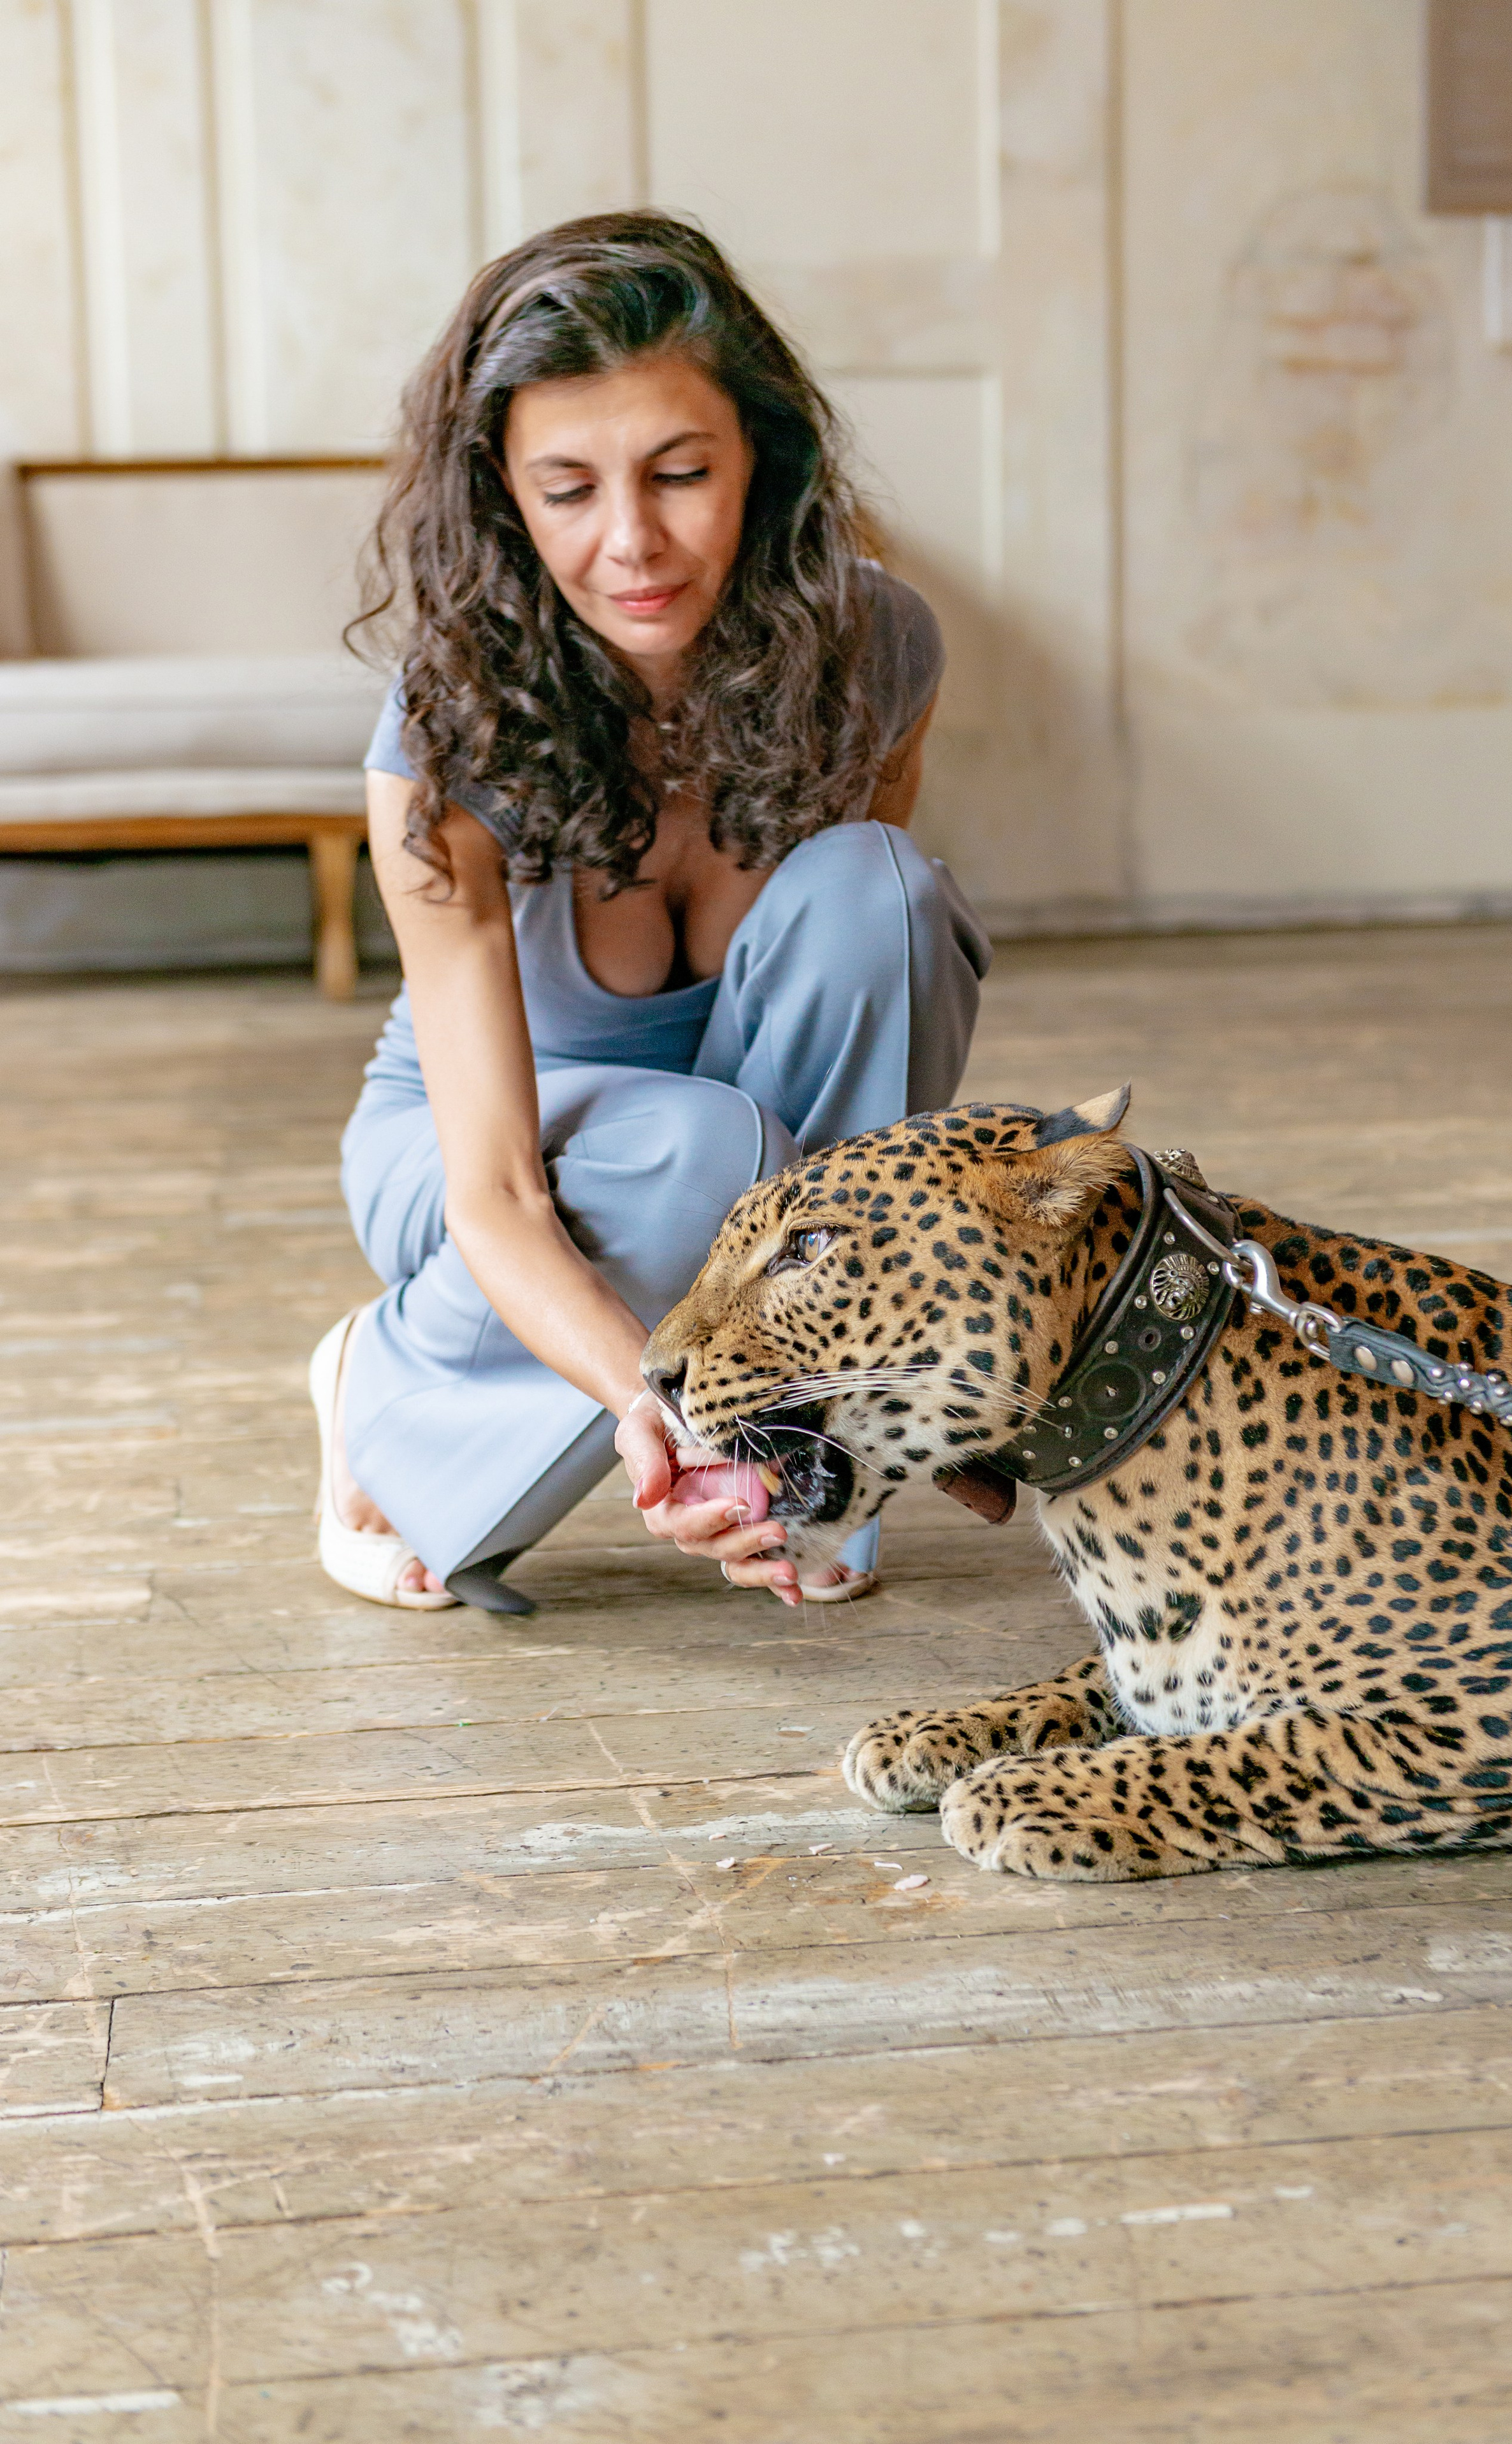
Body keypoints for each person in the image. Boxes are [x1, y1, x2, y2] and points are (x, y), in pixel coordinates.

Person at [312, 210, 989, 1618]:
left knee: (880, 892)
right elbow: (496, 1191)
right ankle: (388, 1382)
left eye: (682, 474)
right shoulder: (445, 732)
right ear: (501, 498)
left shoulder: (877, 650)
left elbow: (856, 1021)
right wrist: (666, 1412)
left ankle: (815, 1439)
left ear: (761, 461)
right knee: (701, 1149)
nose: (631, 542)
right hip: (475, 1158)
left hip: (732, 1145)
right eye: (566, 490)